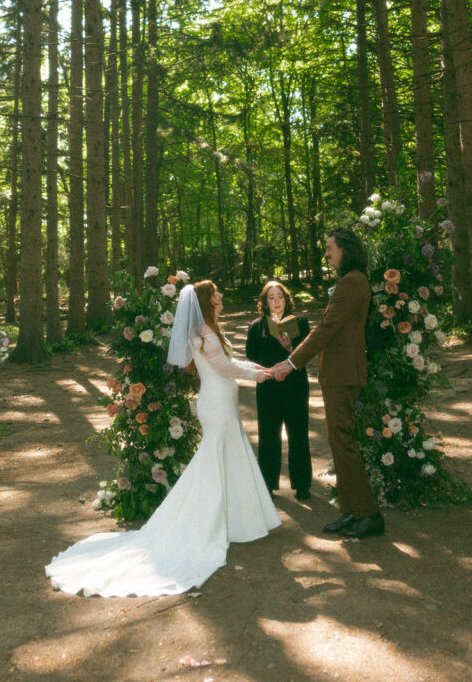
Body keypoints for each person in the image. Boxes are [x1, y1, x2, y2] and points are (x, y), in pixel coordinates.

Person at [46, 280, 280, 596]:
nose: (221, 296)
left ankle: (237, 521)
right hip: (217, 402)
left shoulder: (209, 330)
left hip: (223, 401)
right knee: (214, 461)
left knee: (230, 457)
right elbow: (224, 366)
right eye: (216, 294)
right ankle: (207, 522)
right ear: (205, 301)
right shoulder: (203, 334)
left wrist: (259, 367)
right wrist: (258, 373)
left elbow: (230, 364)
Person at [270, 228, 384, 539]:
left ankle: (368, 515)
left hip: (343, 373)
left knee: (343, 442)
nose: (326, 254)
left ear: (346, 249)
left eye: (330, 248)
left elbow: (327, 328)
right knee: (338, 442)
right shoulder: (352, 281)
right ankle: (351, 511)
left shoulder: (352, 282)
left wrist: (292, 362)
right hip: (340, 371)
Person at [246, 280, 312, 501]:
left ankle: (302, 485)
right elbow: (251, 354)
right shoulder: (257, 326)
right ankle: (268, 483)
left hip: (295, 385)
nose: (276, 302)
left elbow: (307, 353)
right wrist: (270, 367)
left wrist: (290, 348)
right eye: (271, 298)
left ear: (286, 299)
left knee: (298, 433)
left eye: (280, 297)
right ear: (265, 302)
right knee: (268, 434)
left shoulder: (301, 323)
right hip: (269, 385)